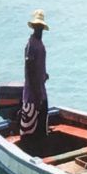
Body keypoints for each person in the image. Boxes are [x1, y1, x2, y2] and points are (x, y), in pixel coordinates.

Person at [21, 10, 51, 145]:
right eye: (37, 26)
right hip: (33, 95)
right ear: (34, 27)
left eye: (40, 26)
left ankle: (42, 147)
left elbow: (37, 67)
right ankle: (32, 150)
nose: (39, 29)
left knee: (42, 123)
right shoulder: (32, 44)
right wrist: (37, 94)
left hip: (40, 91)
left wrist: (44, 75)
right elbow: (29, 69)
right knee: (31, 130)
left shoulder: (39, 43)